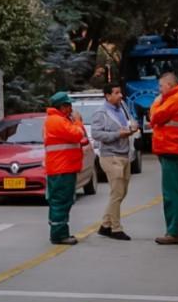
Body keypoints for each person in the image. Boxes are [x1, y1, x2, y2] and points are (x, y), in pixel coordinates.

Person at [150, 72, 178, 245]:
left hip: (171, 147)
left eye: (161, 86)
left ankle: (175, 232)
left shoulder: (175, 99)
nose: (159, 90)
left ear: (169, 85)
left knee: (172, 193)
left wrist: (154, 104)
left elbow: (156, 117)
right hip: (173, 148)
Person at [91, 84, 138, 241]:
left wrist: (133, 125)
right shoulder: (101, 113)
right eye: (116, 93)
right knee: (117, 193)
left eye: (120, 92)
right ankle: (116, 228)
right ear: (107, 96)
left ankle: (105, 225)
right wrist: (117, 134)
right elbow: (96, 134)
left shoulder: (123, 107)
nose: (120, 96)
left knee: (122, 192)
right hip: (110, 156)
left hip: (125, 154)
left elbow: (131, 119)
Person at [43, 92, 89, 245]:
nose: (71, 109)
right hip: (61, 168)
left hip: (62, 167)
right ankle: (59, 234)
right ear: (62, 107)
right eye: (69, 106)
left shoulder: (59, 120)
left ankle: (59, 231)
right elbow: (77, 135)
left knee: (61, 201)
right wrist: (78, 122)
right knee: (61, 201)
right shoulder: (57, 121)